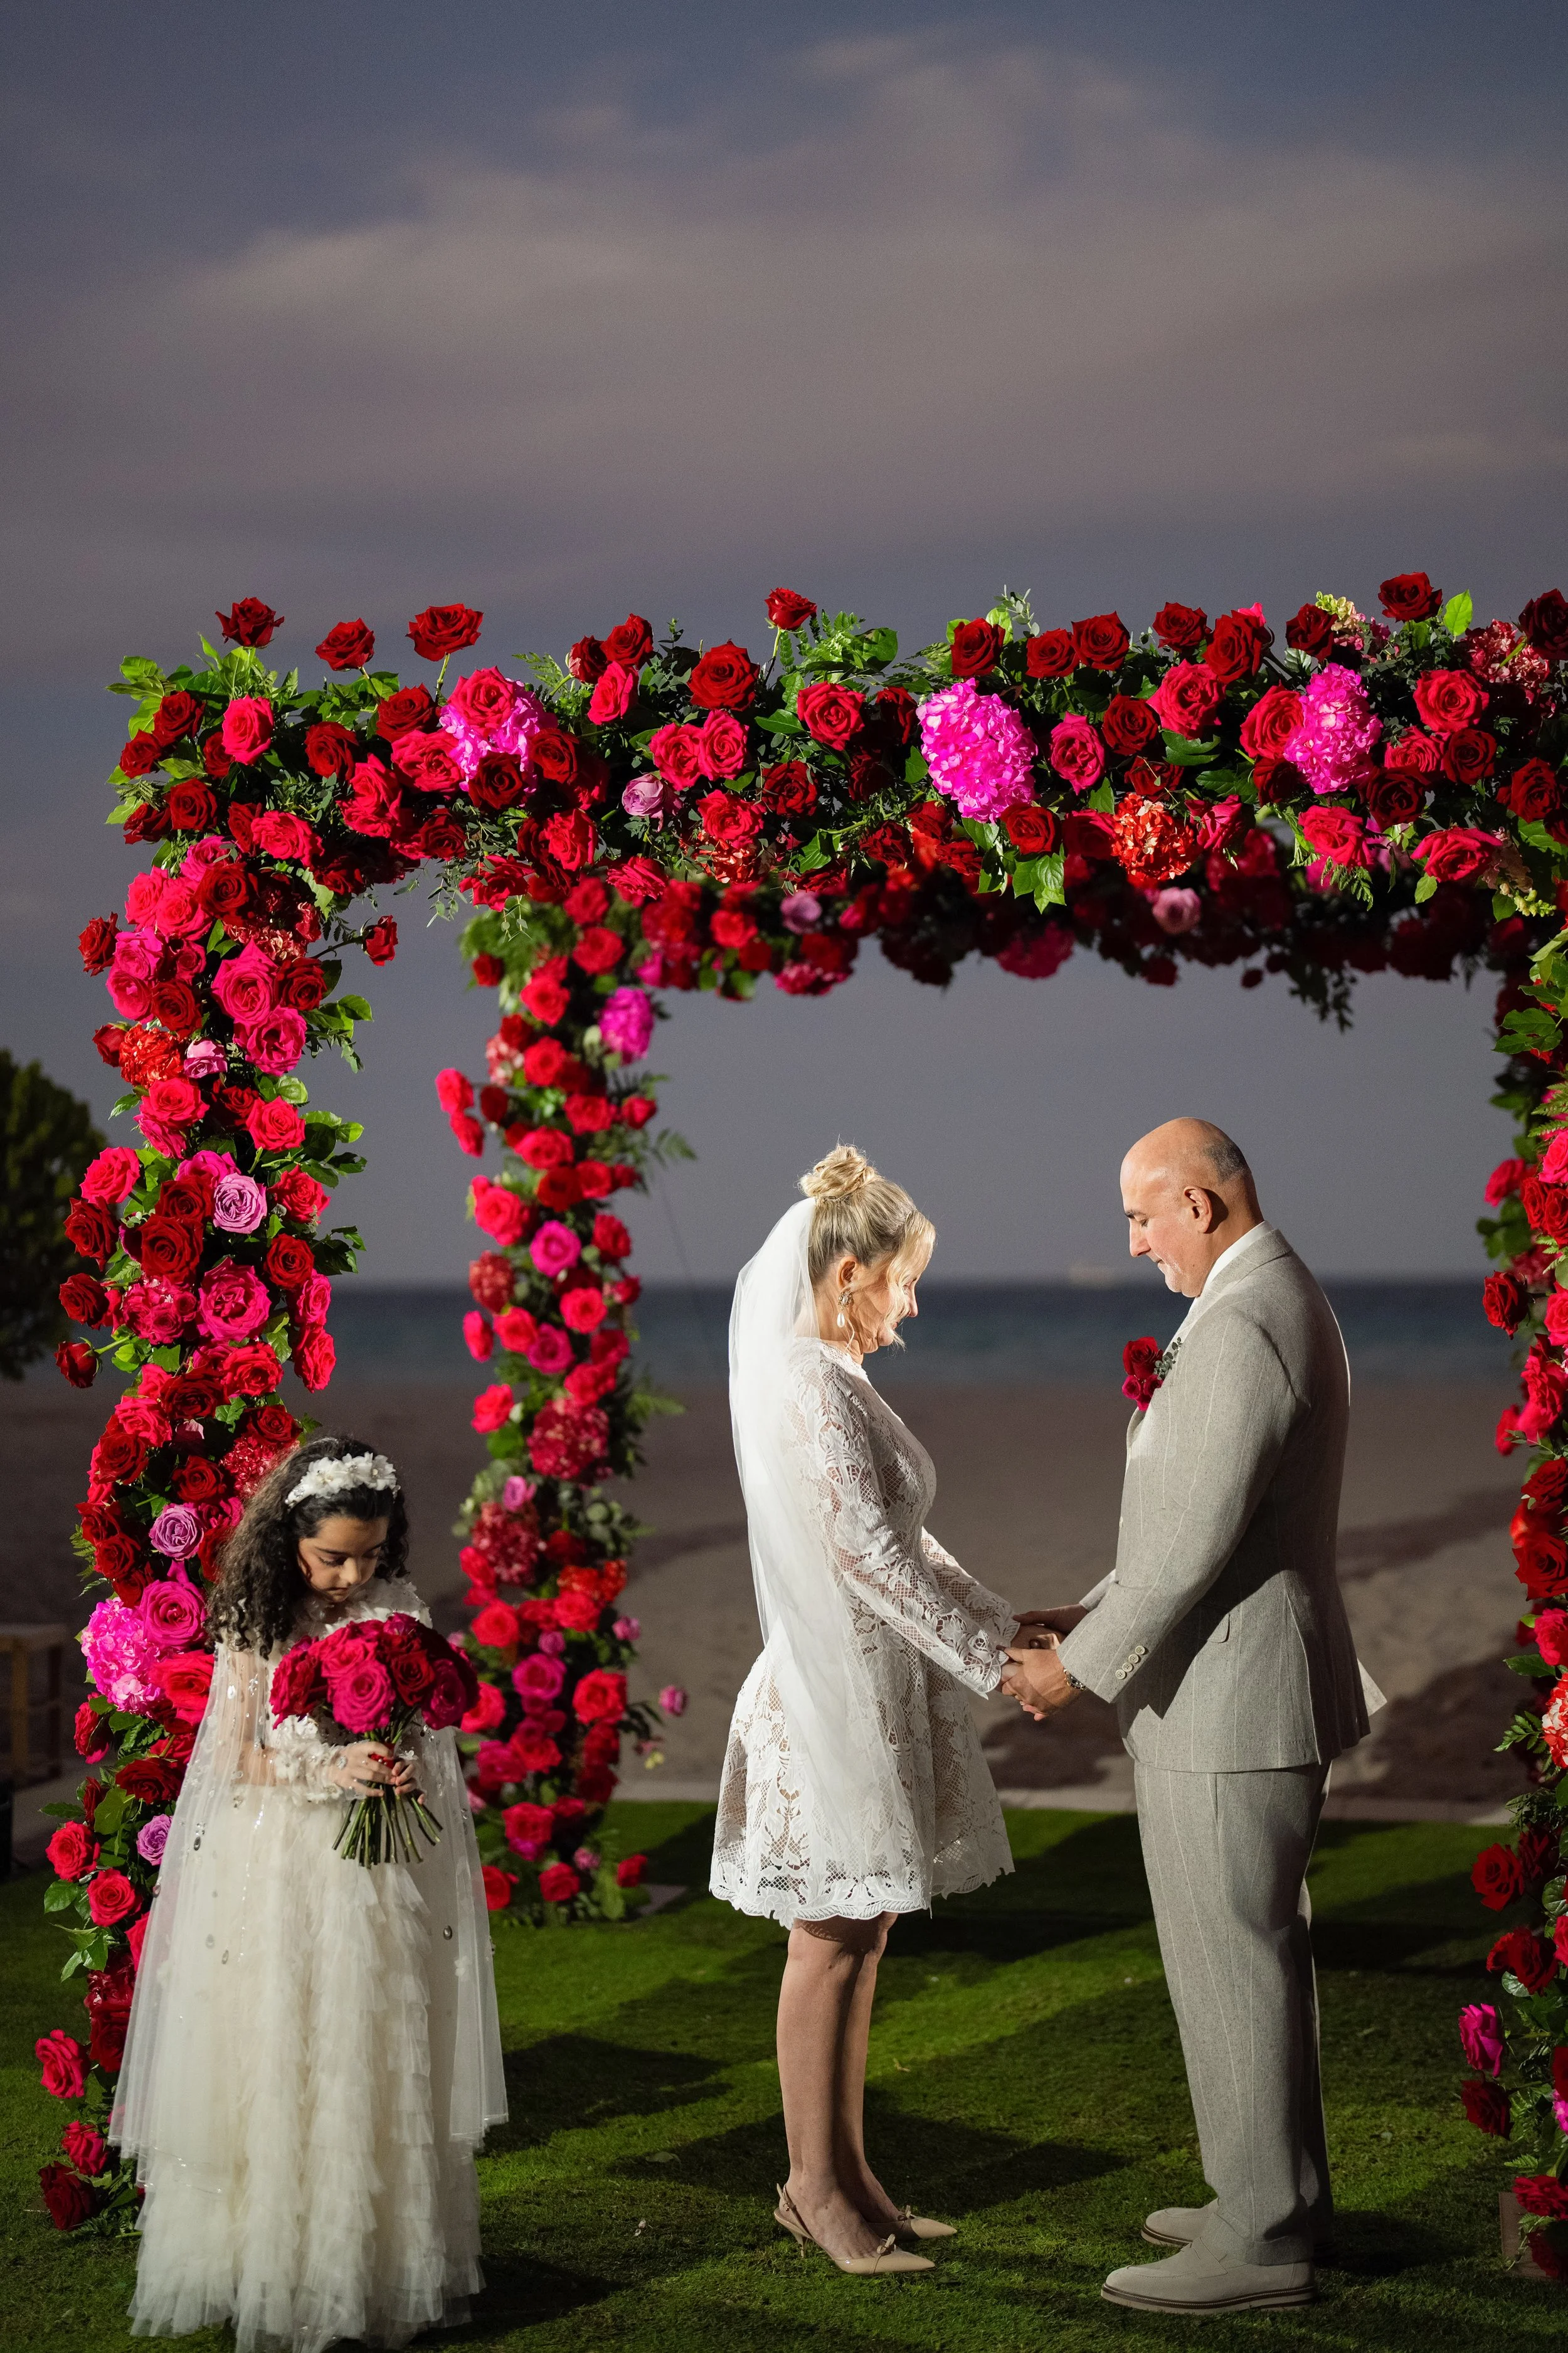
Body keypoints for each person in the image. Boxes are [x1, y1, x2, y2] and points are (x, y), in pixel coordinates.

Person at [1000, 1118, 1382, 2316]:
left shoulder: (1250, 1317)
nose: (1133, 1240)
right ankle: (1272, 2193)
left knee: (1235, 1962)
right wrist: (1090, 1605)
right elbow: (1190, 1531)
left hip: (1232, 1698)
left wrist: (1079, 1669)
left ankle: (1262, 2240)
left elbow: (1195, 1547)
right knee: (1248, 1957)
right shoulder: (1263, 1296)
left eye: (1142, 1214)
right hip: (1238, 1686)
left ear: (1201, 1204)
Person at [112, 1433, 507, 2353]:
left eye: (369, 1553)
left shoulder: (395, 1606)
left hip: (376, 1883)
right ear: (292, 1537)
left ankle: (370, 2262)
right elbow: (239, 1755)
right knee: (289, 2051)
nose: (351, 1573)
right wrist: (330, 1765)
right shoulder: (260, 1620)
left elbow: (428, 1738)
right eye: (334, 1556)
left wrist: (399, 1758)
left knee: (372, 2045)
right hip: (287, 1867)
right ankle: (280, 2261)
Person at [711, 1146, 1019, 2277]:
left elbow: (907, 1543)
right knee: (828, 1934)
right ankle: (812, 2189)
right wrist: (996, 1660)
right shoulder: (807, 1380)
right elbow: (869, 1557)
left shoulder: (836, 1378)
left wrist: (1006, 1619)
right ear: (849, 1274)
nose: (915, 1300)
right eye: (906, 1277)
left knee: (863, 1926)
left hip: (868, 1682)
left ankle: (849, 2176)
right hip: (829, 1691)